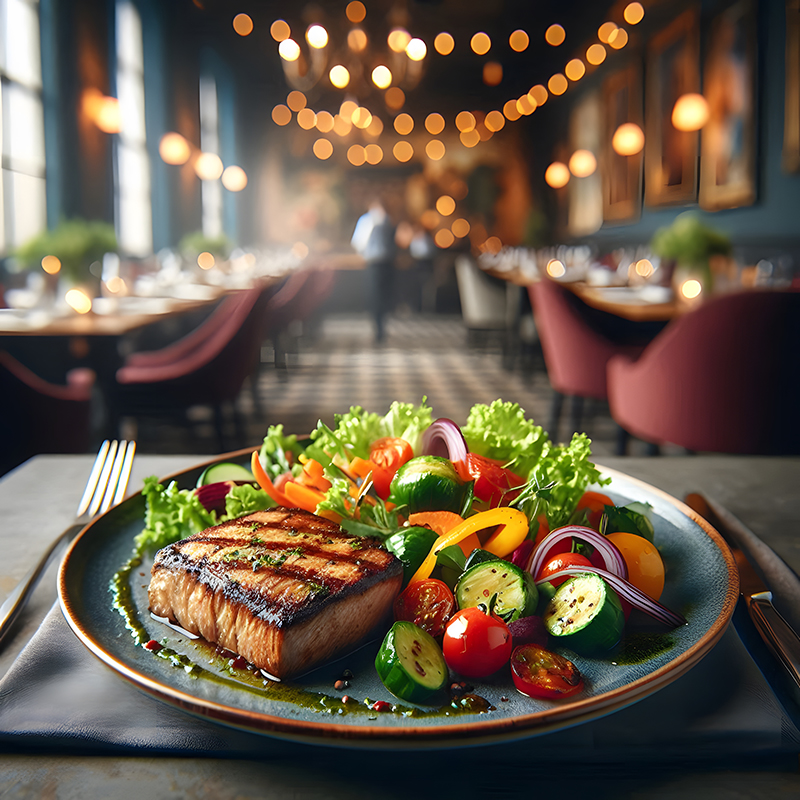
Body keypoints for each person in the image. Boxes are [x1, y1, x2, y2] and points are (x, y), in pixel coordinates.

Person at [351, 198, 396, 342]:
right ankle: (378, 329)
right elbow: (359, 242)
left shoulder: (388, 221)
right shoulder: (367, 221)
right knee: (376, 296)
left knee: (386, 296)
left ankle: (382, 327)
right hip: (374, 264)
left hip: (387, 263)